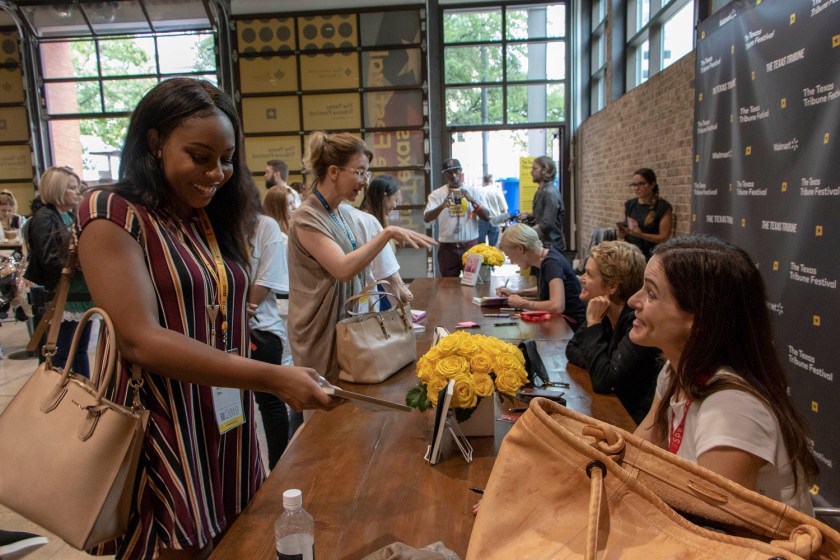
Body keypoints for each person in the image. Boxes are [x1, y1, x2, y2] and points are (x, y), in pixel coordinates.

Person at [76, 78, 340, 560]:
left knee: (234, 541)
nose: (216, 172)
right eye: (199, 156)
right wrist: (272, 377)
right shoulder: (112, 211)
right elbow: (139, 340)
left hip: (223, 417)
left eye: (225, 159)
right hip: (160, 421)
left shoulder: (206, 216)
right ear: (154, 142)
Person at [630, 235, 818, 514]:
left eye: (652, 293)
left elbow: (718, 532)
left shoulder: (732, 410)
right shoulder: (674, 372)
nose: (634, 300)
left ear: (698, 320)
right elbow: (637, 457)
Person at [288, 131, 434, 382]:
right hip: (319, 332)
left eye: (366, 173)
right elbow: (343, 269)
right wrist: (386, 233)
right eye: (359, 172)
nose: (365, 181)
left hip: (346, 327)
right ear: (333, 172)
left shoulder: (342, 213)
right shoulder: (307, 217)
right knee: (324, 412)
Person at [565, 240, 660, 423]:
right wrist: (601, 363)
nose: (581, 278)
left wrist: (593, 324)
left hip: (633, 422)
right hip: (616, 410)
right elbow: (572, 348)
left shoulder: (636, 322)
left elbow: (603, 381)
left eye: (589, 274)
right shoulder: (605, 311)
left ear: (612, 287)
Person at [23, 166, 94, 377]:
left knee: (80, 350)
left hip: (79, 294)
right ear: (58, 190)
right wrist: (80, 263)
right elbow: (49, 259)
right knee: (61, 354)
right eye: (71, 188)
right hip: (63, 296)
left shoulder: (70, 215)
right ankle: (60, 401)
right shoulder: (45, 217)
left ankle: (85, 392)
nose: (77, 192)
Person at [247, 210, 292, 471]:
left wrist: (244, 309)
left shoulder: (264, 226)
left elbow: (267, 279)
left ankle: (278, 471)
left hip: (260, 331)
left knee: (271, 402)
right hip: (220, 335)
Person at [495, 223, 585, 330]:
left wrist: (523, 303)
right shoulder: (546, 255)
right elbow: (548, 289)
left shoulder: (552, 263)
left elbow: (557, 306)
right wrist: (516, 292)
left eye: (509, 256)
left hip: (571, 327)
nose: (512, 261)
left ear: (520, 249)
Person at [424, 158, 490, 277]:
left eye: (456, 171)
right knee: (448, 286)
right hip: (447, 249)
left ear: (461, 172)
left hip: (470, 247)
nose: (454, 175)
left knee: (471, 284)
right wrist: (441, 206)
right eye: (449, 172)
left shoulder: (473, 192)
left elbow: (487, 216)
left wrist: (472, 201)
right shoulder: (437, 195)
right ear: (444, 175)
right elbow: (427, 218)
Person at [356, 173, 413, 306]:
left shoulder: (374, 219)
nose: (396, 205)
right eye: (395, 200)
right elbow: (383, 266)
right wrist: (400, 287)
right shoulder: (368, 220)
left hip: (382, 288)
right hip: (378, 290)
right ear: (384, 196)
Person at [618, 167, 673, 259]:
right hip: (631, 254)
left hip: (652, 255)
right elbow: (626, 230)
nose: (637, 188)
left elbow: (663, 238)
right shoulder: (629, 204)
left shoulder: (662, 207)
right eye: (634, 185)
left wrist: (641, 235)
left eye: (641, 184)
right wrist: (622, 233)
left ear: (652, 185)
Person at [519, 156, 565, 251]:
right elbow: (542, 217)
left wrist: (525, 235)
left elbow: (547, 224)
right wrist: (529, 216)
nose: (531, 172)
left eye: (535, 168)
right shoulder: (542, 190)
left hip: (551, 247)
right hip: (544, 245)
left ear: (545, 170)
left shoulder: (549, 193)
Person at [476, 173, 508, 247]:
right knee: (493, 246)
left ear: (484, 181)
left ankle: (482, 258)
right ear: (492, 181)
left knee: (480, 246)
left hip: (481, 220)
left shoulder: (479, 191)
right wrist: (506, 223)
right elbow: (503, 209)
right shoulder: (497, 191)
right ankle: (492, 258)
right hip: (495, 220)